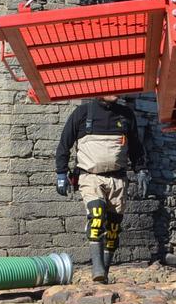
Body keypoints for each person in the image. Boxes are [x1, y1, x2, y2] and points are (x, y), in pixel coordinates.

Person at [55, 95, 145, 282]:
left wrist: (142, 170)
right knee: (96, 216)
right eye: (110, 89)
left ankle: (104, 271)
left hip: (117, 179)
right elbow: (65, 143)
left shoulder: (126, 115)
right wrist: (61, 173)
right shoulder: (82, 113)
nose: (115, 93)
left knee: (113, 228)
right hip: (90, 177)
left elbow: (136, 146)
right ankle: (97, 269)